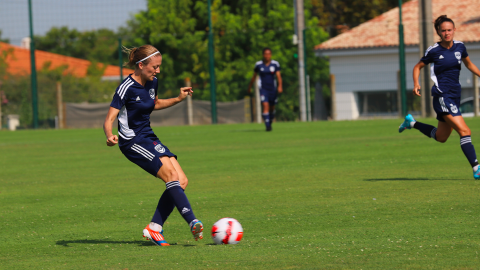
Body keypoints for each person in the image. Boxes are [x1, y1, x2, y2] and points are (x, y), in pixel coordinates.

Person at [103, 45, 203, 246]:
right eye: (154, 67)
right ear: (141, 65)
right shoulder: (126, 87)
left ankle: (154, 228)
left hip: (148, 136)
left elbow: (153, 103)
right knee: (171, 176)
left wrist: (177, 98)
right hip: (132, 141)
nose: (157, 71)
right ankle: (192, 221)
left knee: (181, 181)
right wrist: (109, 135)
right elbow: (109, 118)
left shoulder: (152, 82)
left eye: (159, 67)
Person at [399, 15, 480, 180]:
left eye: (449, 30)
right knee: (465, 131)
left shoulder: (460, 47)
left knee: (441, 137)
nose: (447, 33)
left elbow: (469, 64)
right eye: (443, 30)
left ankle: (411, 123)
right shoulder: (434, 51)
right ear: (438, 32)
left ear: (454, 30)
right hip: (442, 96)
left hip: (455, 95)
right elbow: (417, 66)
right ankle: (476, 168)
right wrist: (416, 84)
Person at [247, 47, 283, 131]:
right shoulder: (259, 64)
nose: (267, 56)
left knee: (272, 108)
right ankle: (267, 125)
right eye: (265, 54)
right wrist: (249, 87)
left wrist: (280, 86)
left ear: (271, 55)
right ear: (263, 55)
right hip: (263, 89)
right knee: (265, 105)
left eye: (269, 54)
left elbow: (279, 76)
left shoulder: (275, 64)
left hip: (272, 89)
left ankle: (269, 120)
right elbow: (254, 76)